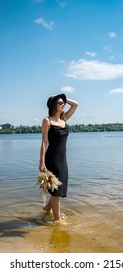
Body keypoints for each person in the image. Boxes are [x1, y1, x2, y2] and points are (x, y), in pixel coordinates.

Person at [39, 93, 78, 223]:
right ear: (54, 105)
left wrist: (61, 97)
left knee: (59, 187)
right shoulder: (47, 120)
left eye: (63, 103)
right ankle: (57, 220)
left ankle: (47, 207)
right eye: (60, 103)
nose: (63, 105)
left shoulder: (64, 119)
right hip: (52, 159)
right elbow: (44, 142)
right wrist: (42, 162)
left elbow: (75, 104)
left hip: (63, 160)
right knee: (57, 191)